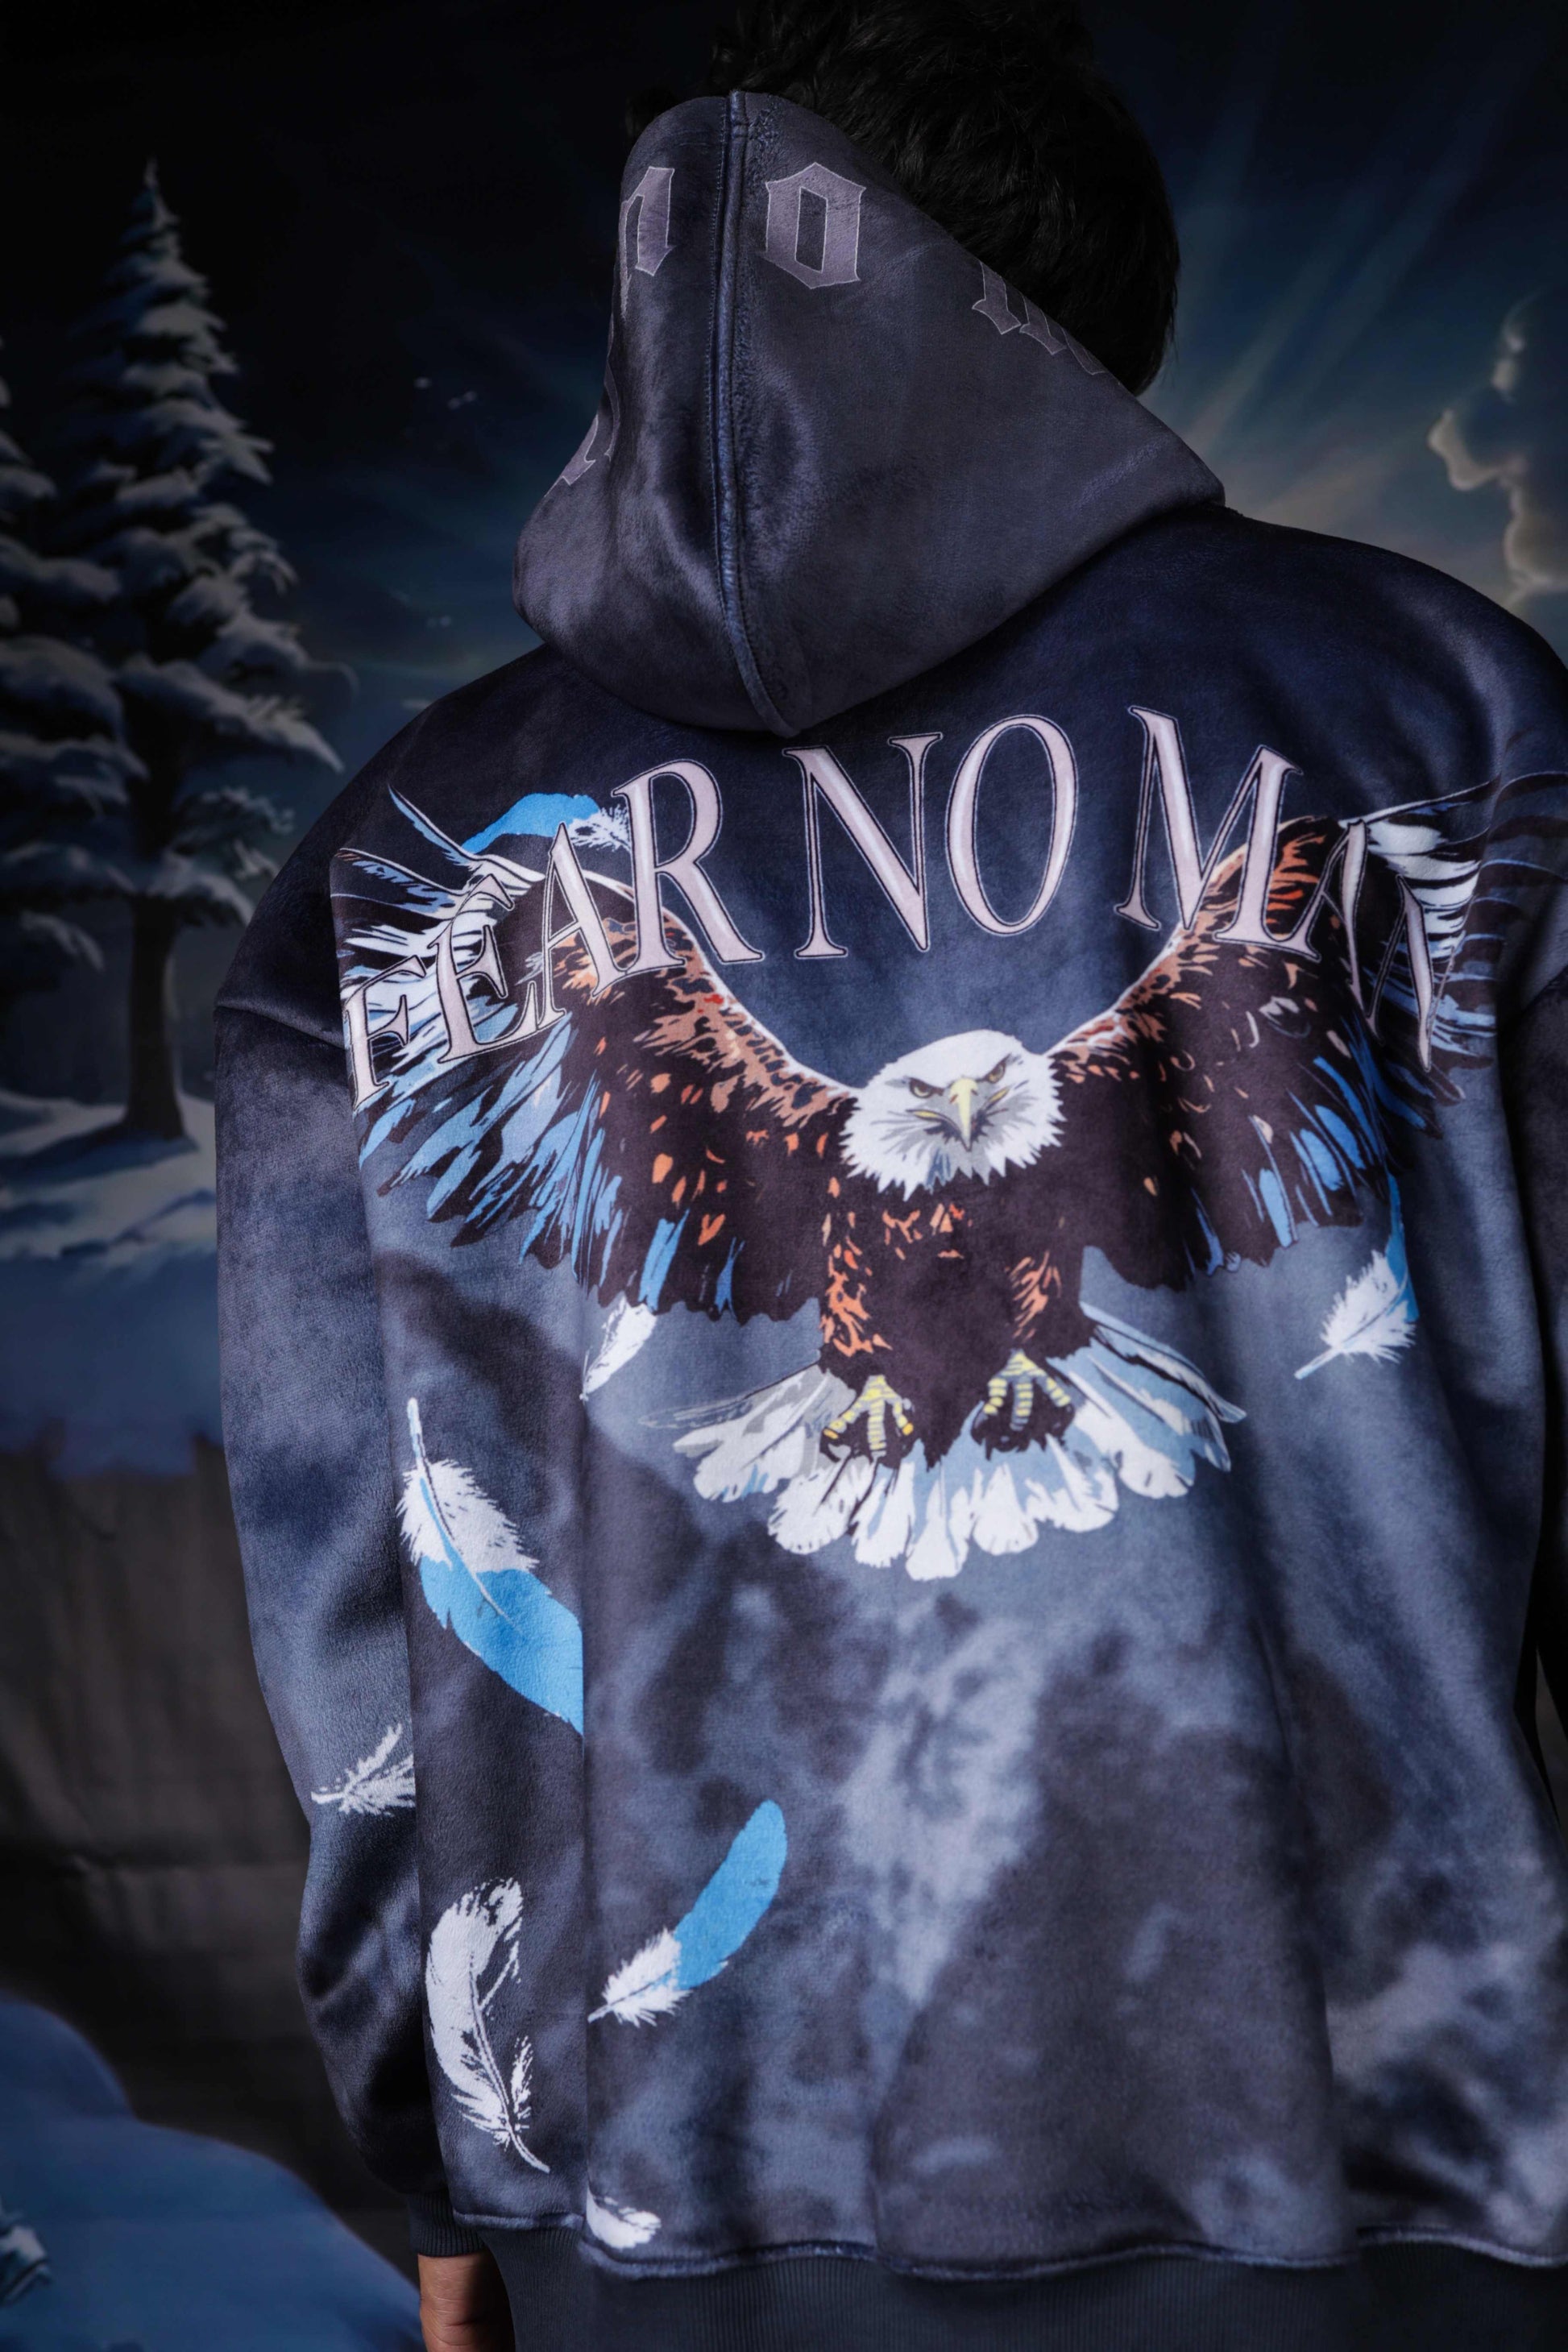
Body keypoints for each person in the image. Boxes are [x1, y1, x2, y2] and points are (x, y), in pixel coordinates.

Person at [215, 3, 1568, 2349]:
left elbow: (357, 1583)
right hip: (1379, 2175)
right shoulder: (1433, 712)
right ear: (1101, 337)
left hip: (669, 2201)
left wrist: (437, 2138)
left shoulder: (427, 836)